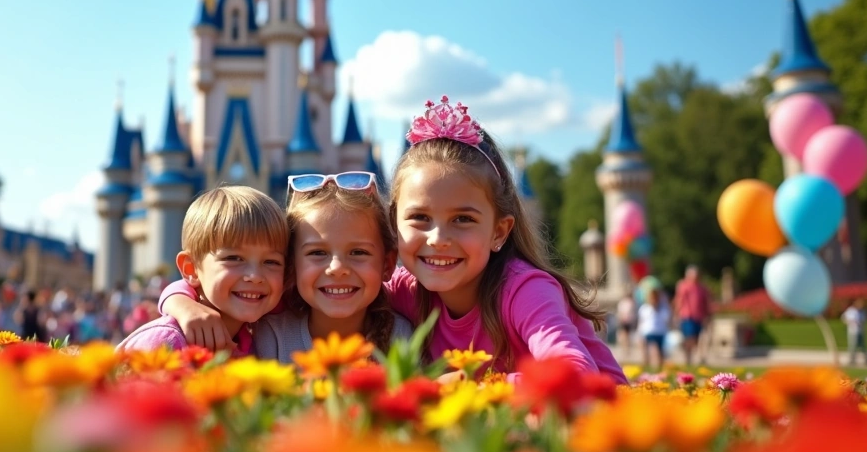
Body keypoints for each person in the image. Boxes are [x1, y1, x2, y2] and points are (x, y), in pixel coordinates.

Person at [162, 95, 625, 383]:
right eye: (420, 218)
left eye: (463, 219)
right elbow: (245, 289)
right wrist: (182, 301)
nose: (439, 238)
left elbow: (573, 372)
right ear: (396, 230)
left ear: (500, 230)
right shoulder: (404, 292)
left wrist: (473, 387)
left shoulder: (523, 291)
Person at [159, 172, 414, 363]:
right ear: (292, 265)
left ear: (387, 264)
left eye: (358, 253)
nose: (337, 268)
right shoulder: (270, 329)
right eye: (317, 253)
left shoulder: (403, 335)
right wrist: (184, 305)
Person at [119, 185, 287, 354]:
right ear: (191, 268)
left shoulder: (256, 345)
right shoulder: (167, 342)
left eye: (271, 262)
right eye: (234, 258)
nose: (255, 276)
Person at [673, 265, 711, 367]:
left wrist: (708, 315)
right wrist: (676, 314)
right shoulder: (684, 286)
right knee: (690, 338)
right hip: (687, 316)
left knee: (696, 340)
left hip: (698, 317)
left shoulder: (701, 288)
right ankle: (688, 358)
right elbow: (679, 301)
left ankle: (689, 355)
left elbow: (705, 303)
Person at [638, 287, 670, 371]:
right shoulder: (645, 308)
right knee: (652, 350)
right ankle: (649, 367)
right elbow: (641, 322)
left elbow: (666, 319)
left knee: (660, 352)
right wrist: (639, 333)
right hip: (648, 332)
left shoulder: (663, 309)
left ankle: (659, 368)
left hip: (660, 332)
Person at [842, 298, 867, 365]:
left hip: (861, 331)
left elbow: (864, 319)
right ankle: (852, 360)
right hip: (853, 331)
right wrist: (850, 322)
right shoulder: (851, 311)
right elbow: (844, 318)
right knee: (853, 346)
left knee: (863, 346)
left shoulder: (862, 312)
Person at [615, 290, 637, 359]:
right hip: (625, 320)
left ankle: (627, 348)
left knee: (626, 335)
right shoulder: (627, 302)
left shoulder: (629, 302)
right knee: (625, 335)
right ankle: (625, 348)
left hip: (628, 320)